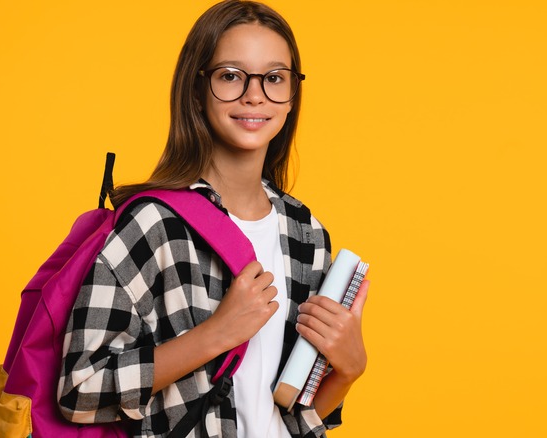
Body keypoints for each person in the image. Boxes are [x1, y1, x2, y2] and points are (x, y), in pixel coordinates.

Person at [57, 1, 368, 437]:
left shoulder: (306, 234)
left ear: (293, 95)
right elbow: (80, 390)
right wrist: (216, 335)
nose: (255, 95)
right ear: (197, 90)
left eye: (275, 78)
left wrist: (348, 371)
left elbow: (296, 417)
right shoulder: (155, 225)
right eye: (230, 76)